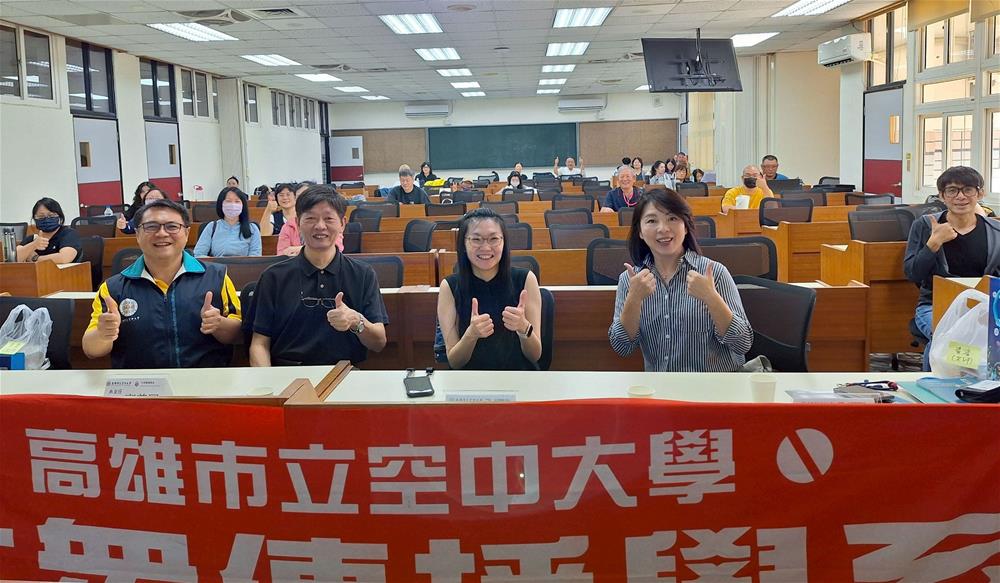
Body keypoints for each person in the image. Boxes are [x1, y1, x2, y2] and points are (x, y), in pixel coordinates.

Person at [82, 199, 242, 368]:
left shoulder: (216, 277)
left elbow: (237, 335)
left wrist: (219, 324)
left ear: (186, 233)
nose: (162, 233)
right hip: (141, 382)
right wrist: (103, 334)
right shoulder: (113, 288)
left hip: (203, 379)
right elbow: (91, 350)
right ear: (137, 234)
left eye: (172, 226)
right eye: (151, 226)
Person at [609, 189, 752, 372]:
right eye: (652, 221)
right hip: (661, 386)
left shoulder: (714, 273)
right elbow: (622, 348)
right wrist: (634, 299)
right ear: (640, 232)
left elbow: (742, 343)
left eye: (672, 218)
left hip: (714, 385)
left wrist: (711, 298)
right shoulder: (631, 280)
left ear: (685, 227)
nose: (663, 228)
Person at [250, 185, 388, 366]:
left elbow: (378, 343)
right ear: (298, 223)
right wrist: (269, 381)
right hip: (287, 373)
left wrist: (356, 320)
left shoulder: (362, 274)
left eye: (329, 218)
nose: (320, 226)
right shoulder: (273, 277)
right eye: (311, 218)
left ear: (342, 224)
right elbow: (259, 344)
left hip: (344, 374)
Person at [904, 166, 1000, 371]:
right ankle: (934, 383)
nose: (960, 197)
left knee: (982, 335)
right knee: (946, 333)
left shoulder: (995, 232)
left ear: (980, 194)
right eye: (952, 190)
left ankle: (981, 383)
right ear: (942, 196)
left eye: (968, 190)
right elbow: (912, 274)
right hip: (933, 305)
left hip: (984, 306)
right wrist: (934, 243)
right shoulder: (925, 226)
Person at [437, 208, 542, 370]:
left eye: (494, 239)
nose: (485, 247)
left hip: (517, 377)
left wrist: (524, 327)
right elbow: (455, 362)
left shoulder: (526, 279)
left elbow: (535, 355)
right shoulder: (449, 287)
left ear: (504, 242)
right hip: (471, 380)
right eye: (476, 239)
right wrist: (471, 335)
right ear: (464, 244)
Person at [193, 187, 262, 257]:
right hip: (216, 264)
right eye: (228, 201)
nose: (233, 205)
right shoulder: (211, 227)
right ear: (221, 204)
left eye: (237, 201)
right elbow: (199, 254)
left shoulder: (253, 229)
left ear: (243, 205)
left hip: (243, 264)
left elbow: (255, 257)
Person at [16, 197, 82, 264]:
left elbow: (64, 258)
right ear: (34, 219)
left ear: (59, 217)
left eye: (51, 216)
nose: (46, 219)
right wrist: (34, 245)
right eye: (41, 217)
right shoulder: (33, 238)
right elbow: (15, 258)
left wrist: (35, 258)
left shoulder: (68, 233)